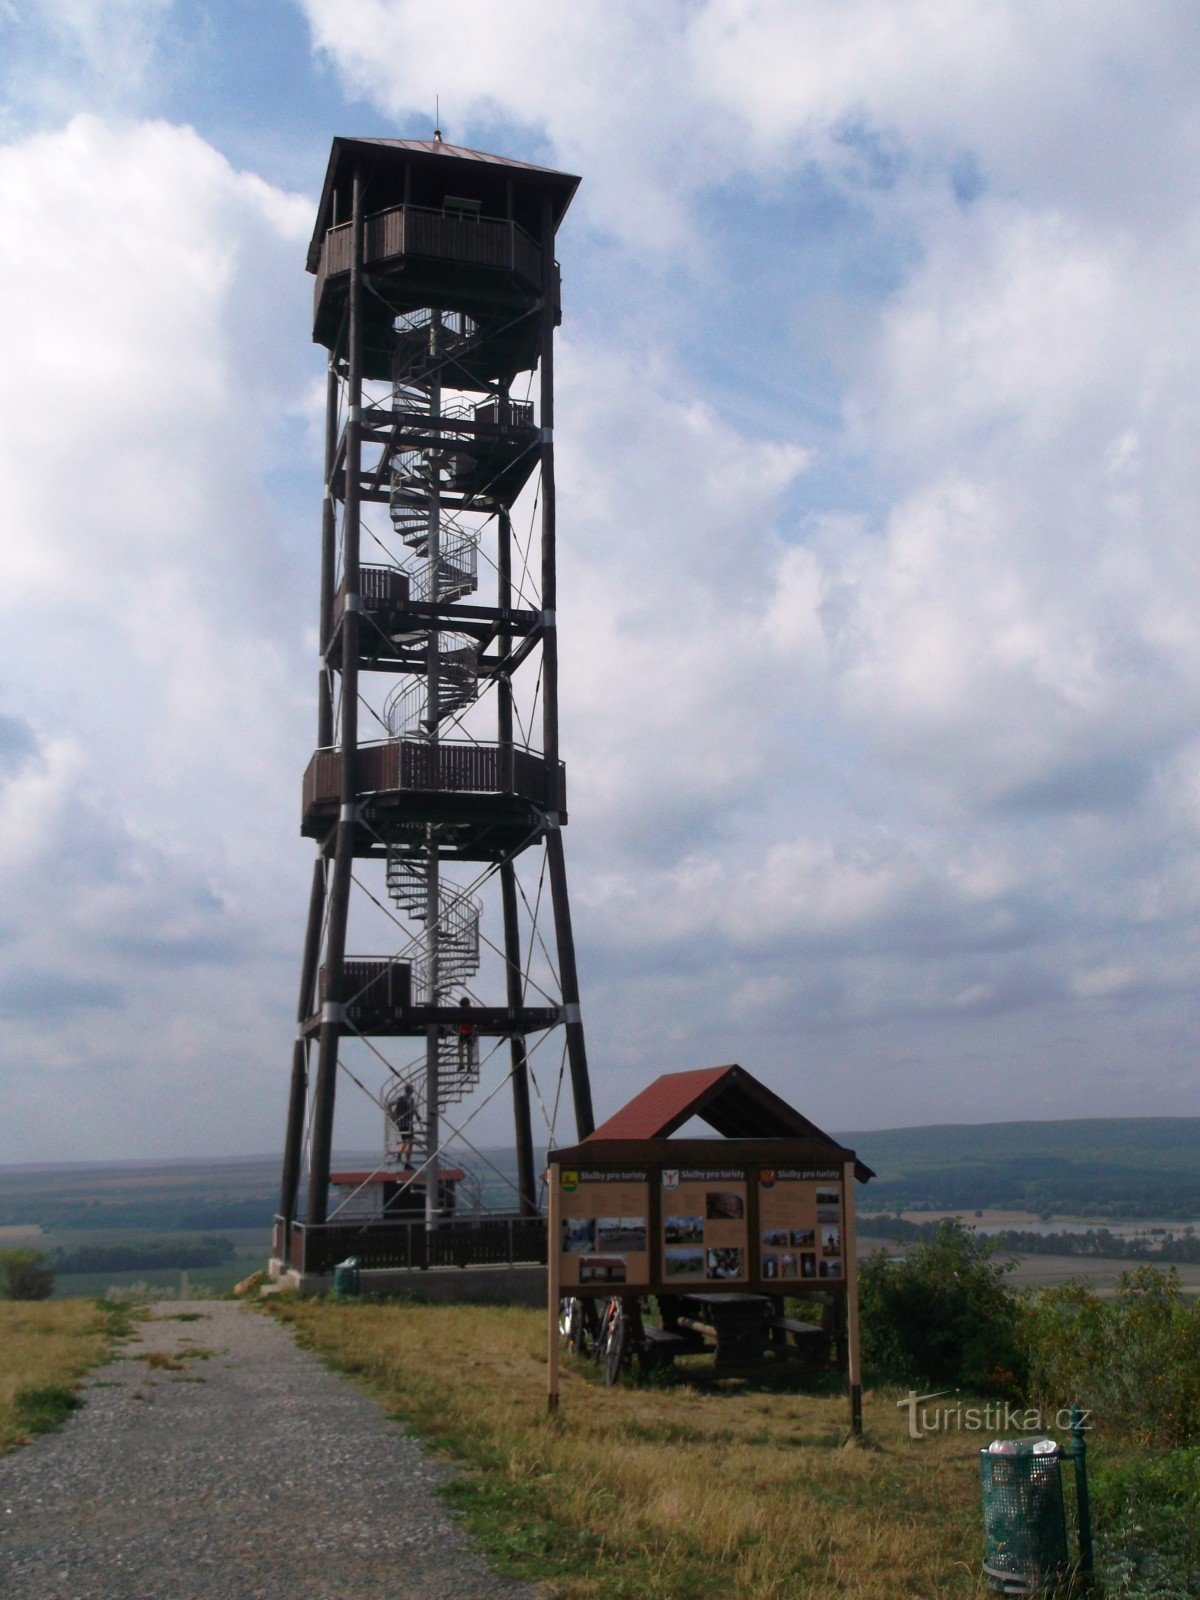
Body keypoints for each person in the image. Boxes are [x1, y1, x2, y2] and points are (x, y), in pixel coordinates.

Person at [390, 1082, 416, 1165]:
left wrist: (392, 1116)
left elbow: (389, 1104)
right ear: (411, 1090)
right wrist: (418, 1116)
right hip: (407, 1123)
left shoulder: (401, 1098)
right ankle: (407, 1161)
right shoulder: (409, 1099)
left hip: (401, 1123)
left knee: (406, 1141)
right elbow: (413, 1109)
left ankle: (400, 1154)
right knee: (410, 1142)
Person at [456, 996, 477, 1071]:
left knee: (468, 1051)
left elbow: (475, 1025)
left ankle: (467, 1066)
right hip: (464, 1032)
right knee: (462, 1050)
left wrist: (472, 1032)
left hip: (468, 1032)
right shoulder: (469, 1011)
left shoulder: (469, 1011)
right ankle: (463, 1065)